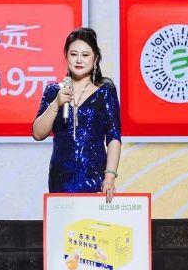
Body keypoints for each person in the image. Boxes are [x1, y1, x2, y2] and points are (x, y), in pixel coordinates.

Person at [32, 27, 122, 202]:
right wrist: (56, 103)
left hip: (95, 176)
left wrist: (110, 176)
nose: (79, 60)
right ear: (66, 57)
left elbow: (113, 136)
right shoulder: (54, 91)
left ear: (95, 58)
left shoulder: (105, 91)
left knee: (92, 220)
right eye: (74, 54)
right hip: (61, 177)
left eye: (85, 55)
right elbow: (38, 133)